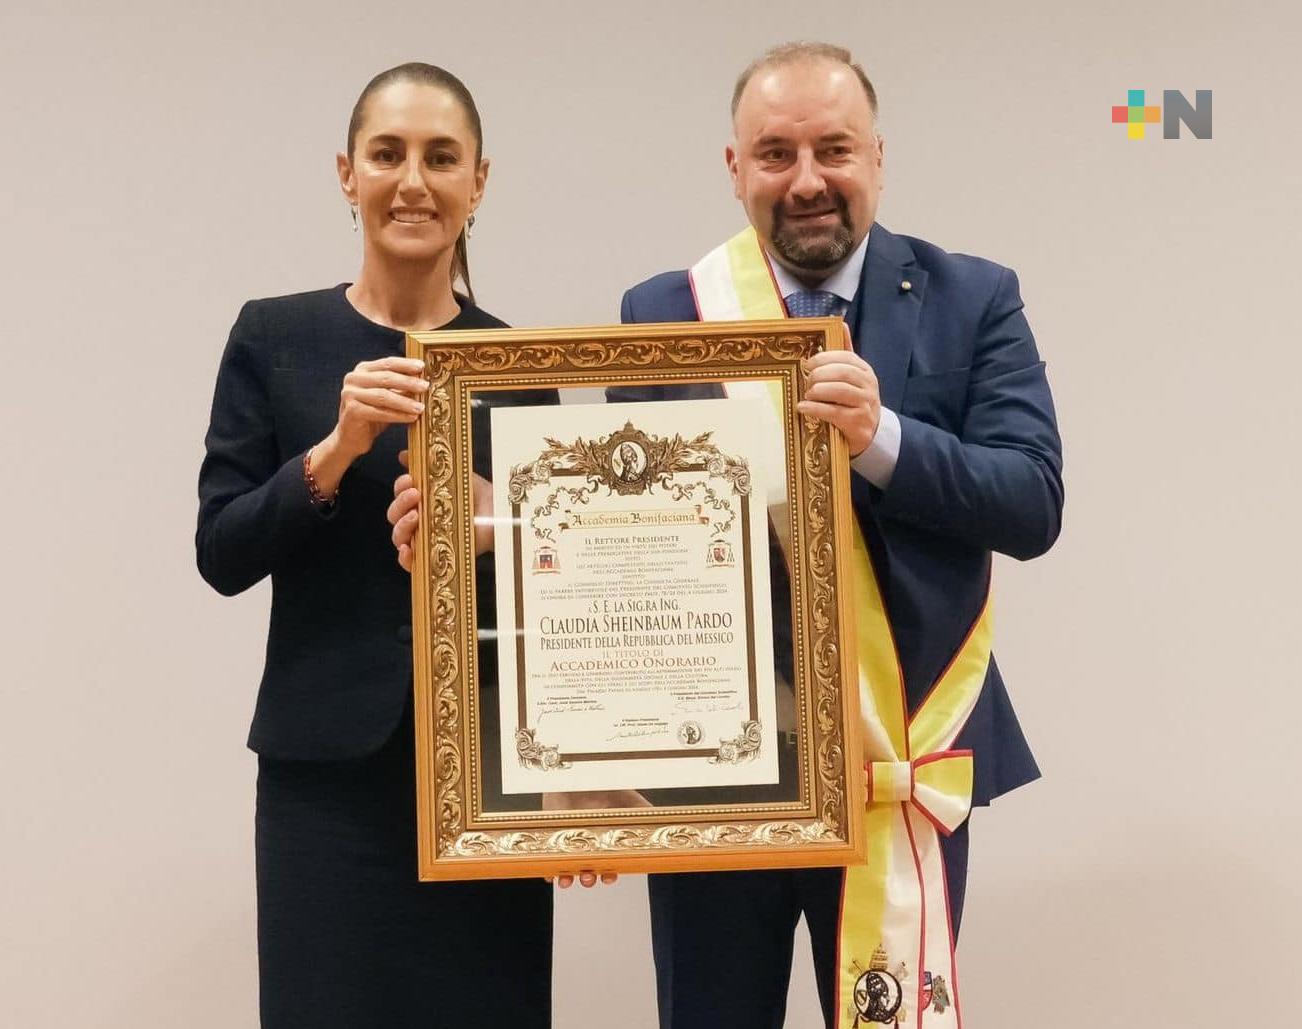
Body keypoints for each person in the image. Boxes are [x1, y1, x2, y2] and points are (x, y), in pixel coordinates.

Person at [610, 42, 1065, 1028]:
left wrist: (883, 441)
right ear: (734, 169)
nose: (808, 180)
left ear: (878, 158)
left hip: (897, 752)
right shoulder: (662, 312)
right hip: (717, 772)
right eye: (775, 153)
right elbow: (630, 538)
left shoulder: (973, 298)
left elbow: (1030, 500)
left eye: (834, 149)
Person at [196, 63, 557, 1028]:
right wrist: (333, 450)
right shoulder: (275, 337)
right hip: (326, 786)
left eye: (441, 158)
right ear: (346, 173)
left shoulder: (520, 363)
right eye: (387, 153)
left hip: (490, 787)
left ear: (478, 182)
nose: (413, 181)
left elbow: (561, 598)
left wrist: (504, 532)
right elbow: (221, 551)